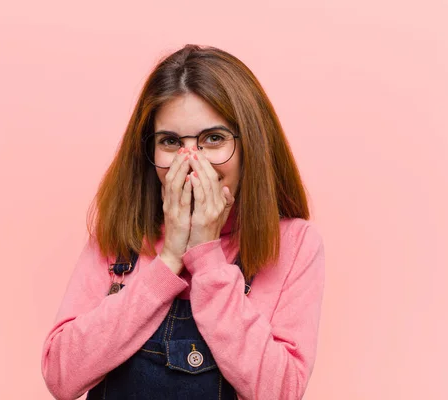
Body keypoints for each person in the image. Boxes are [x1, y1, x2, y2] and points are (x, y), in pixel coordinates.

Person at [40, 44, 325, 400]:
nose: (192, 161)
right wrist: (169, 258)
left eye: (214, 139)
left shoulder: (296, 244)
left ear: (251, 145)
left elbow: (280, 392)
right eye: (172, 141)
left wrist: (206, 256)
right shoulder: (120, 236)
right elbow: (61, 376)